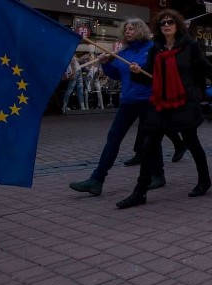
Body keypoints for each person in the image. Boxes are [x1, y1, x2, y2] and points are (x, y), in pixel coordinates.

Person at [116, 9, 212, 209]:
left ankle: (204, 180)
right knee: (149, 146)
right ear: (158, 27)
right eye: (162, 22)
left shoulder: (190, 46)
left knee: (192, 142)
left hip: (184, 102)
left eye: (170, 21)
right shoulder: (156, 48)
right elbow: (148, 73)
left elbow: (207, 68)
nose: (166, 25)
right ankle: (140, 192)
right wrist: (138, 71)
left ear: (177, 24)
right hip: (160, 101)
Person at [68, 19, 166, 196]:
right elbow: (116, 75)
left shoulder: (153, 48)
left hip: (148, 100)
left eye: (132, 29)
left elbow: (158, 74)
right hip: (128, 101)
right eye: (126, 29)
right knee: (113, 138)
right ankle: (97, 179)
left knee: (150, 140)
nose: (128, 31)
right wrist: (106, 63)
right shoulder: (124, 51)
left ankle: (158, 175)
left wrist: (141, 70)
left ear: (141, 30)